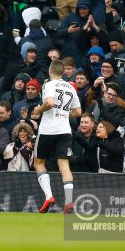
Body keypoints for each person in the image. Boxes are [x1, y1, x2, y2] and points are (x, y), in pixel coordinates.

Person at [32, 59, 82, 214]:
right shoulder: (70, 87)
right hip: (65, 130)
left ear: (50, 70)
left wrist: (38, 111)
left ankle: (49, 196)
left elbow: (50, 103)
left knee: (39, 163)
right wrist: (64, 114)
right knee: (64, 166)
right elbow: (78, 112)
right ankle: (68, 201)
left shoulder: (48, 84)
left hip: (48, 130)